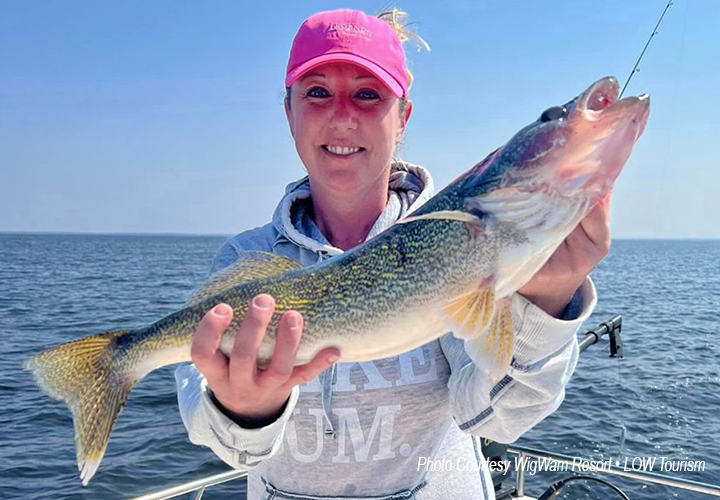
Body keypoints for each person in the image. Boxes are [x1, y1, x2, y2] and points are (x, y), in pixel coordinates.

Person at [175, 8, 609, 500]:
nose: (342, 116)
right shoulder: (246, 259)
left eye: (368, 95)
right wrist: (243, 411)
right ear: (288, 110)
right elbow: (223, 443)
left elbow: (496, 417)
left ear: (402, 116)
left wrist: (548, 308)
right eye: (317, 92)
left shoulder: (456, 245)